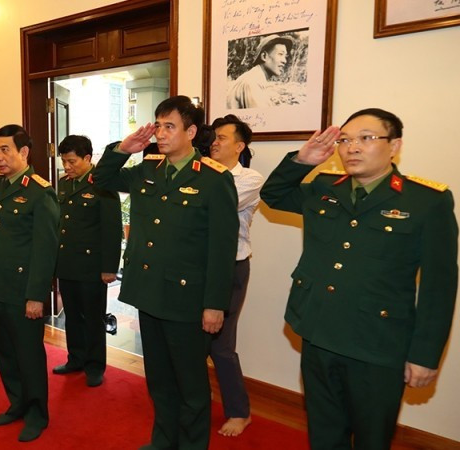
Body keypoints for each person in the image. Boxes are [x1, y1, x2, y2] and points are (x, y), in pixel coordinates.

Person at [260, 108, 458, 450]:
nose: (352, 147)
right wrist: (302, 160)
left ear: (394, 145)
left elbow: (439, 287)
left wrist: (425, 355)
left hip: (378, 345)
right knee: (324, 432)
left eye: (366, 138)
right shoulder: (323, 188)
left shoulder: (426, 202)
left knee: (372, 439)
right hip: (319, 332)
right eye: (345, 139)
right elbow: (273, 194)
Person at [93, 95, 239, 449]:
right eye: (158, 125)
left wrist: (215, 305)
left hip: (188, 299)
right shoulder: (147, 169)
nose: (160, 133)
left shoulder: (214, 179)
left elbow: (222, 250)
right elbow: (101, 178)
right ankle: (163, 441)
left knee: (190, 386)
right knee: (158, 380)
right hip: (149, 292)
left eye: (169, 126)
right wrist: (123, 148)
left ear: (191, 131)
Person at [0, 124, 60, 443]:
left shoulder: (40, 192)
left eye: (5, 150)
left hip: (22, 291)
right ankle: (17, 403)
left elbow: (45, 251)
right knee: (5, 353)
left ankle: (36, 413)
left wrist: (36, 297)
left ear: (24, 153)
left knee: (28, 355)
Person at [207, 114, 264, 437]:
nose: (214, 142)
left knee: (221, 345)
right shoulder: (202, 172)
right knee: (193, 343)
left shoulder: (249, 178)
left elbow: (213, 207)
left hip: (231, 267)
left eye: (222, 138)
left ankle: (239, 413)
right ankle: (197, 404)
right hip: (198, 267)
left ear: (240, 146)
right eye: (213, 137)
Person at [53, 135, 121, 388]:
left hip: (92, 266)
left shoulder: (103, 184)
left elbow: (112, 230)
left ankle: (94, 365)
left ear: (87, 158)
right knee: (72, 315)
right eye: (64, 161)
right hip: (67, 262)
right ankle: (76, 359)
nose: (67, 166)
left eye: (72, 161)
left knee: (93, 317)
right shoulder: (63, 184)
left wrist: (109, 268)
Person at [226, 34, 294, 109]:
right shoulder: (252, 82)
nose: (284, 61)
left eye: (285, 56)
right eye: (280, 54)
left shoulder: (255, 78)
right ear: (264, 56)